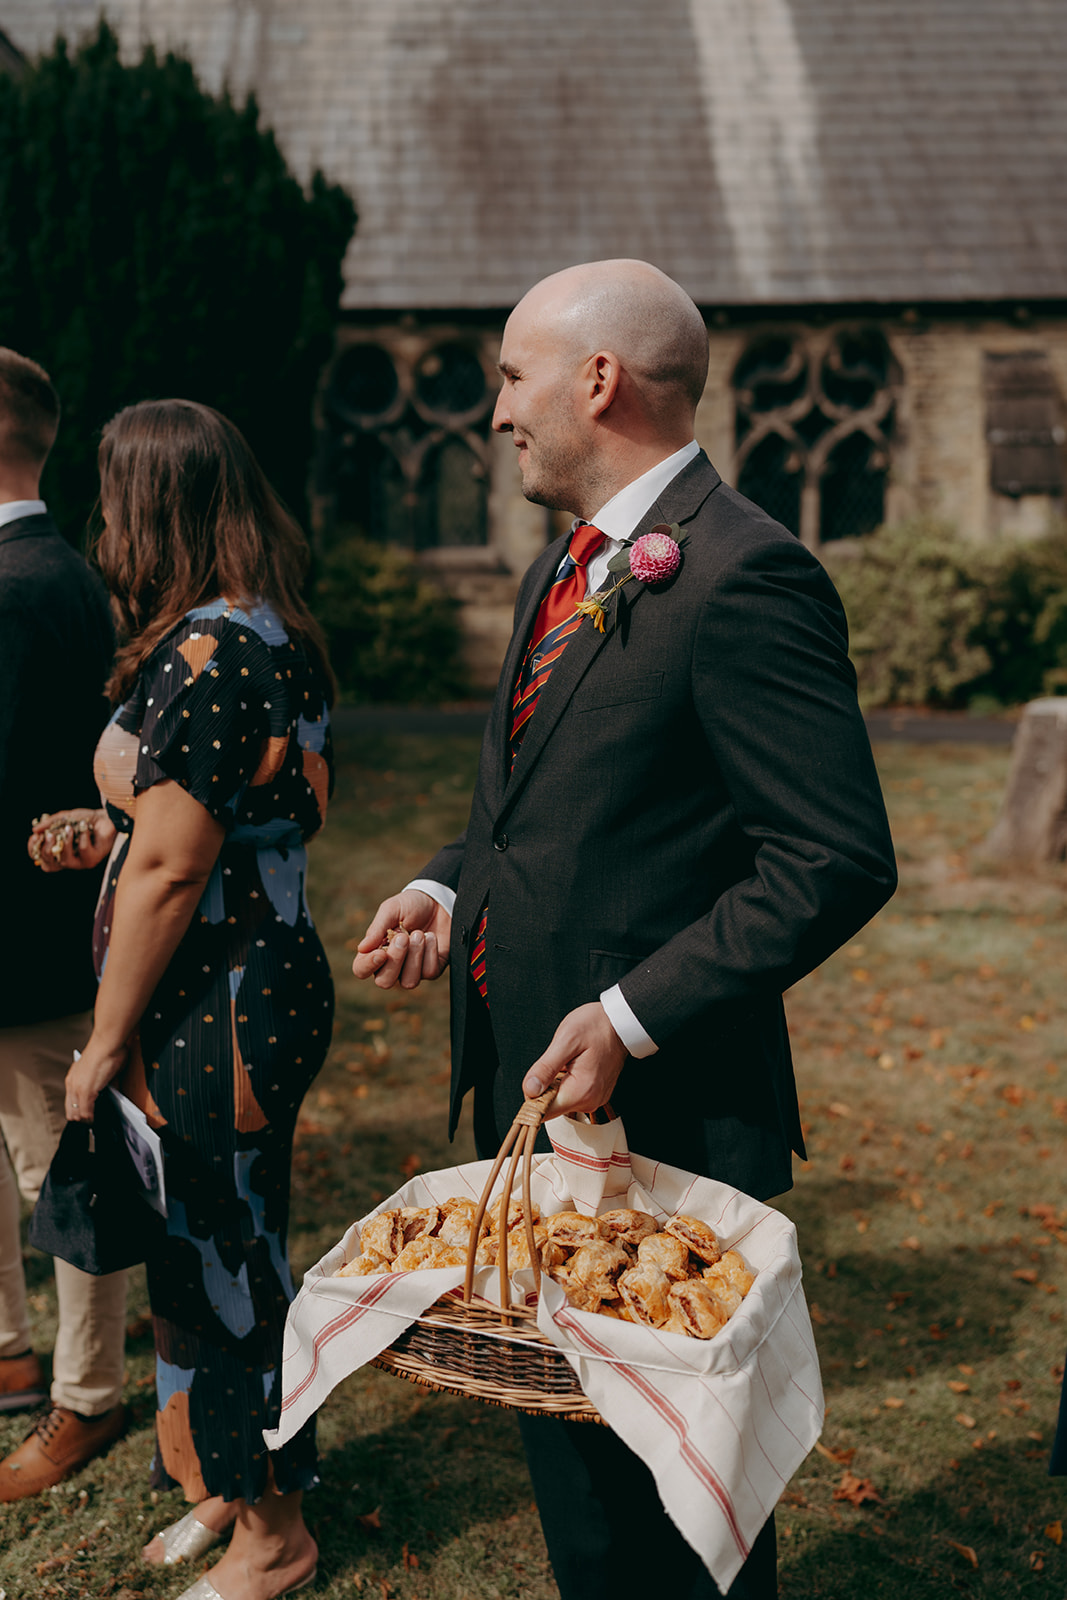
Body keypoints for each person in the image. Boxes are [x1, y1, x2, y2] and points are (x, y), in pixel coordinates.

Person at [353, 260, 898, 1599]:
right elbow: (540, 802)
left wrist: (630, 1015)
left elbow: (829, 859)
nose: (494, 413)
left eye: (509, 376)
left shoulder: (743, 575)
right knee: (584, 1498)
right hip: (540, 1112)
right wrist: (440, 887)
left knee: (675, 1511)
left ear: (596, 382)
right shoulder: (566, 563)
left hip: (663, 1120)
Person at [30, 399, 334, 1600]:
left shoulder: (212, 649)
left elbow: (176, 862)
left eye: (113, 496)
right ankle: (220, 1478)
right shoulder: (266, 629)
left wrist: (101, 1040)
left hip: (217, 1007)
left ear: (151, 506)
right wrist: (103, 832)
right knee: (202, 1245)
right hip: (240, 985)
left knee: (228, 1265)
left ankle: (278, 1539)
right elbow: (192, 818)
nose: (104, 519)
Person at [0, 349, 128, 1499]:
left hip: (27, 947)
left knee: (62, 1175)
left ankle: (88, 1396)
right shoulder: (68, 569)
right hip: (42, 931)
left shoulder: (16, 582)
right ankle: (10, 1357)